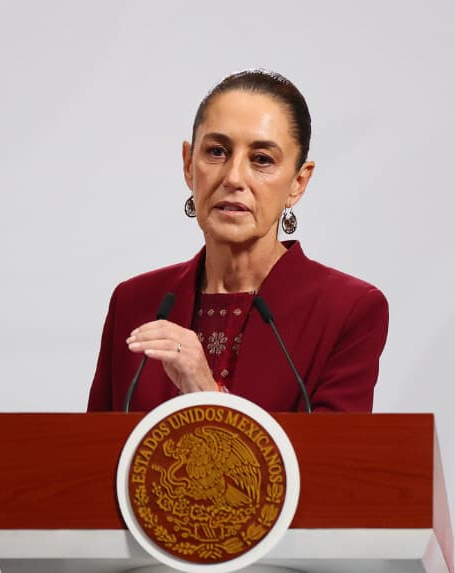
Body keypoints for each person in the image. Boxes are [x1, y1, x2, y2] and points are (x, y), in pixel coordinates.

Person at [86, 70, 388, 413]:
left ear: (298, 182)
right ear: (188, 164)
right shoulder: (134, 302)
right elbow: (96, 455)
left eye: (261, 160)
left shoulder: (348, 310)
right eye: (216, 152)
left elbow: (330, 463)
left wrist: (205, 392)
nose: (233, 178)